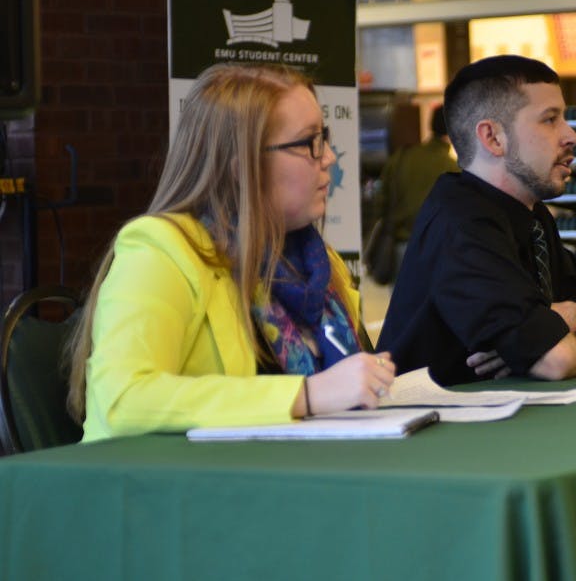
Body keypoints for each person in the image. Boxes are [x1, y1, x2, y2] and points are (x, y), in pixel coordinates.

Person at [67, 63, 395, 442]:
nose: (329, 158)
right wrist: (307, 395)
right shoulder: (160, 251)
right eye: (309, 142)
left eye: (324, 137)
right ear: (244, 167)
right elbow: (123, 398)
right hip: (164, 490)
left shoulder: (320, 264)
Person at [377, 55, 576, 385]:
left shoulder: (530, 216)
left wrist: (571, 316)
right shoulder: (462, 224)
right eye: (550, 120)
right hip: (433, 430)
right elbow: (558, 360)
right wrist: (554, 343)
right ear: (492, 137)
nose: (571, 136)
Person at [371, 105, 459, 281]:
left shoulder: (402, 157)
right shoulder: (452, 169)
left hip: (401, 249)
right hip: (437, 253)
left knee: (401, 305)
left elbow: (379, 201)